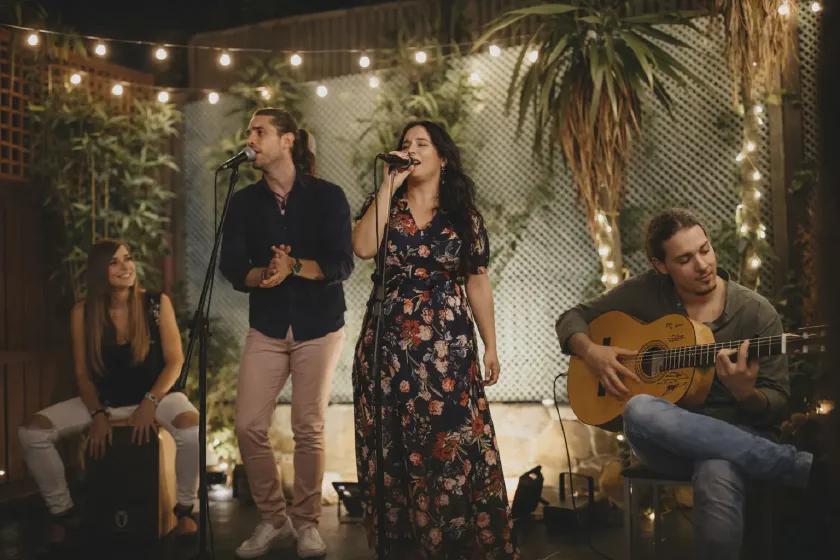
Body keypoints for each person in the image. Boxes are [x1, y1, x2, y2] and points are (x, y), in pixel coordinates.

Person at [555, 208, 822, 560]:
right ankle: (793, 466)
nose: (703, 264)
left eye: (705, 250)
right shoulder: (646, 293)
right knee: (638, 407)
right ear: (660, 265)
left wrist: (748, 395)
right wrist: (591, 351)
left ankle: (789, 466)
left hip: (740, 433)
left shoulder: (756, 312)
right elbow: (569, 318)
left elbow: (777, 402)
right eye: (685, 259)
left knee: (718, 466)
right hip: (667, 446)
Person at [351, 121, 518, 558]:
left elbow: (477, 282)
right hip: (385, 344)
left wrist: (491, 345)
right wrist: (390, 185)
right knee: (392, 447)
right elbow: (364, 247)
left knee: (449, 443)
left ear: (442, 157)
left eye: (421, 143)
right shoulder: (385, 200)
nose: (411, 149)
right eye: (405, 144)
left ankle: (455, 545)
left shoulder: (463, 215)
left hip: (446, 348)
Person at [219, 108, 354, 559]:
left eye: (260, 131)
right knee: (248, 425)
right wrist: (266, 274)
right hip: (269, 326)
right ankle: (274, 518)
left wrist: (295, 267)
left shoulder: (328, 197)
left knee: (307, 426)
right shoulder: (242, 202)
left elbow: (342, 264)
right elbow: (233, 268)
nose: (251, 139)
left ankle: (306, 523)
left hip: (319, 325)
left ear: (288, 140)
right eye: (250, 132)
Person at [18, 239, 200, 552]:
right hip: (105, 400)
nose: (125, 267)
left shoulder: (156, 303)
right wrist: (97, 414)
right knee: (31, 433)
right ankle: (64, 514)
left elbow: (175, 362)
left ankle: (185, 511)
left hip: (156, 397)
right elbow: (82, 375)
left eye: (128, 259)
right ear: (99, 270)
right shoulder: (83, 312)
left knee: (193, 428)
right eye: (114, 262)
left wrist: (150, 403)